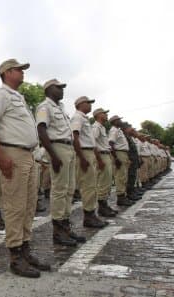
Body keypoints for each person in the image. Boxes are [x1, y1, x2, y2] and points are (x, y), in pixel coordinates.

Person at [0, 58, 51, 278]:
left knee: (29, 205)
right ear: (7, 72)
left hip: (28, 155)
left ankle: (25, 249)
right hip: (12, 153)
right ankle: (15, 256)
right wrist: (1, 156)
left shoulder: (18, 97)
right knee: (15, 206)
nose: (23, 73)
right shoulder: (0, 95)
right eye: (19, 70)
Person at [36, 79, 86, 247]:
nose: (62, 90)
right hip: (58, 147)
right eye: (59, 87)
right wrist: (53, 155)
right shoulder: (45, 106)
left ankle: (65, 226)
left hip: (68, 147)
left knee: (69, 189)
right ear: (49, 89)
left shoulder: (61, 108)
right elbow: (41, 130)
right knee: (59, 190)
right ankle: (58, 230)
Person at [70, 97, 108, 229]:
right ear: (81, 104)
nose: (90, 106)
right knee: (88, 186)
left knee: (91, 186)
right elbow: (74, 136)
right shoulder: (78, 118)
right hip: (84, 153)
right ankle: (88, 216)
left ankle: (91, 214)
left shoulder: (84, 118)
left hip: (89, 152)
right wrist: (82, 157)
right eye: (88, 103)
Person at [91, 108, 117, 217]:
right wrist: (99, 159)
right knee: (103, 182)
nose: (106, 115)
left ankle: (104, 204)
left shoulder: (101, 127)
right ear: (98, 115)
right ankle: (102, 207)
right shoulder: (96, 127)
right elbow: (93, 143)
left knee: (107, 182)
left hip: (106, 154)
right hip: (101, 155)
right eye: (104, 113)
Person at [108, 115, 134, 206]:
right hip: (119, 153)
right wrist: (116, 158)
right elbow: (111, 144)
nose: (121, 121)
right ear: (115, 121)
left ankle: (123, 196)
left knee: (123, 176)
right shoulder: (114, 130)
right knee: (120, 177)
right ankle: (120, 198)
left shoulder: (119, 130)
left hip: (123, 153)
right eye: (119, 120)